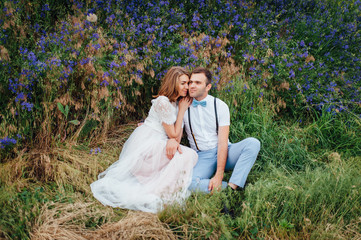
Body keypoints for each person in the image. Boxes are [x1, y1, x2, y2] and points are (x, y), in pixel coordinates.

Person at [91, 66, 198, 213]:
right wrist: (182, 112)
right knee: (187, 154)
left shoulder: (175, 103)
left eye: (188, 83)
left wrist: (180, 111)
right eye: (183, 83)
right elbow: (174, 134)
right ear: (174, 83)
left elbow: (176, 137)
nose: (187, 87)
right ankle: (160, 193)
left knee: (187, 154)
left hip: (160, 140)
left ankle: (161, 191)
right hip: (148, 140)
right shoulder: (163, 101)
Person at [166, 67, 260, 193]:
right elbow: (176, 135)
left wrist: (218, 175)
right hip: (203, 156)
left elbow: (222, 143)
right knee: (188, 183)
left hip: (226, 151)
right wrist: (171, 139)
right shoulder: (182, 106)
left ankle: (233, 185)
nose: (192, 86)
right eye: (191, 82)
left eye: (198, 83)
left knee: (253, 143)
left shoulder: (220, 106)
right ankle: (230, 189)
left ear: (208, 87)